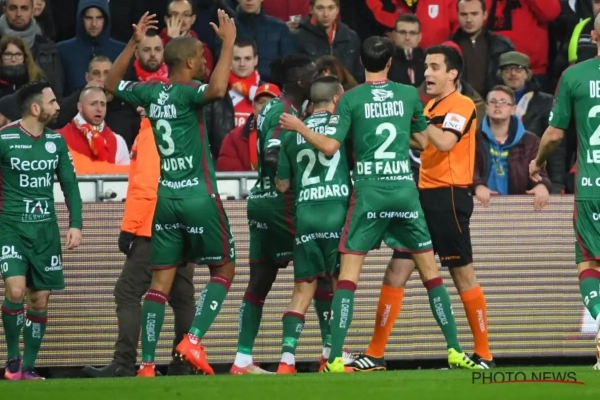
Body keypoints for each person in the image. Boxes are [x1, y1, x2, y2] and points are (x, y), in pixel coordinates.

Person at [279, 36, 479, 373]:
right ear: (389, 63)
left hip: (369, 192)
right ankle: (455, 350)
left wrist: (299, 126)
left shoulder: (351, 98)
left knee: (348, 277)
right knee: (431, 275)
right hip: (404, 191)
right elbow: (422, 142)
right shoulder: (408, 95)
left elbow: (329, 147)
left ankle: (336, 357)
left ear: (361, 62)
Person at [104, 11, 237, 377]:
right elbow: (218, 90)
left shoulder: (150, 91)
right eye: (202, 58)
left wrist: (133, 44)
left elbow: (110, 83)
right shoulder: (189, 93)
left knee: (159, 283)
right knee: (225, 267)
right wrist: (228, 43)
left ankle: (147, 365)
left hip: (165, 202)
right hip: (197, 196)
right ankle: (192, 340)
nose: (206, 64)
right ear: (190, 62)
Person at [349, 43, 493, 372]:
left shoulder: (462, 104)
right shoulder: (430, 107)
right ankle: (375, 352)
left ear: (452, 73)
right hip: (422, 196)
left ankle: (483, 354)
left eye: (435, 67)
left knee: (462, 274)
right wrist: (398, 124)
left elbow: (443, 142)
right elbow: (419, 140)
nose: (427, 73)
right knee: (396, 270)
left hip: (449, 196)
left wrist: (409, 115)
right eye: (426, 66)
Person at [231, 54, 337, 374]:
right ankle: (329, 353)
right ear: (300, 81)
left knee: (260, 281)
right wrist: (289, 179)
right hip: (282, 204)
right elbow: (272, 153)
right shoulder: (284, 110)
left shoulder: (274, 107)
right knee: (319, 272)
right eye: (312, 73)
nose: (317, 77)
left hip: (260, 202)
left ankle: (242, 359)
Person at [81, 117, 195, 378]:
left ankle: (123, 362)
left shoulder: (151, 134)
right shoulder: (187, 130)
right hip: (185, 226)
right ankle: (183, 364)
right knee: (182, 299)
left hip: (154, 227)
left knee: (127, 292)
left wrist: (129, 228)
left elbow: (145, 186)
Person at [529, 12, 600, 371]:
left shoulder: (574, 76)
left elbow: (555, 134)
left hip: (591, 187)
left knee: (588, 261)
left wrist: (538, 162)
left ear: (593, 37)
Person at [0, 81, 83, 380]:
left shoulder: (56, 142)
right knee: (15, 290)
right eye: (52, 102)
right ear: (36, 108)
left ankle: (29, 367)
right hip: (11, 226)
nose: (58, 107)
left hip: (45, 231)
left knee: (39, 299)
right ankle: (13, 359)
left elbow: (70, 185)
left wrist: (75, 224)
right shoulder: (5, 138)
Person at [274, 75, 351, 374]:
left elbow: (282, 184)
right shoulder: (343, 126)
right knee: (339, 285)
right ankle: (334, 355)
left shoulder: (291, 133)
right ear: (336, 99)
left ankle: (286, 360)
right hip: (336, 212)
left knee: (302, 291)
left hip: (306, 215)